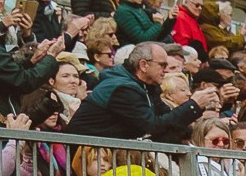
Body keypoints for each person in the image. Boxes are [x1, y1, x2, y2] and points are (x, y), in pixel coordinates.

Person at [68, 44, 213, 142]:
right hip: (86, 156)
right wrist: (193, 105)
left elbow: (166, 119)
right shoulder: (122, 88)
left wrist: (191, 117)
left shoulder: (148, 86)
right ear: (143, 65)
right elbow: (152, 127)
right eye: (162, 65)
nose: (166, 70)